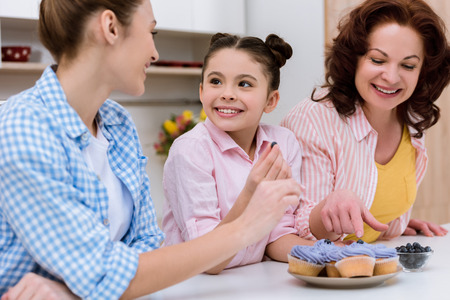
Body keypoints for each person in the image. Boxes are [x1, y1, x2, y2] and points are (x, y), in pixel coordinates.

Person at [0, 0, 303, 299]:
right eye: (151, 33)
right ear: (110, 28)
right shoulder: (23, 127)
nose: (155, 52)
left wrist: (75, 290)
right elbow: (105, 271)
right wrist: (246, 226)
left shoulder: (118, 124)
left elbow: (144, 245)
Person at [281, 0, 450, 244]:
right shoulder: (313, 119)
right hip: (317, 275)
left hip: (375, 269)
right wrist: (331, 209)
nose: (391, 77)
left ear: (423, 71)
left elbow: (374, 199)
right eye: (378, 60)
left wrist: (393, 224)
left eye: (408, 65)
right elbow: (299, 229)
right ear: (354, 59)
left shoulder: (411, 120)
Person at [161, 33, 318, 275]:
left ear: (271, 100)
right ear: (202, 91)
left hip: (250, 281)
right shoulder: (191, 150)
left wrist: (324, 253)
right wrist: (250, 195)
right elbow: (207, 260)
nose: (227, 93)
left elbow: (277, 234)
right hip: (195, 287)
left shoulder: (283, 144)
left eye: (244, 84)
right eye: (216, 82)